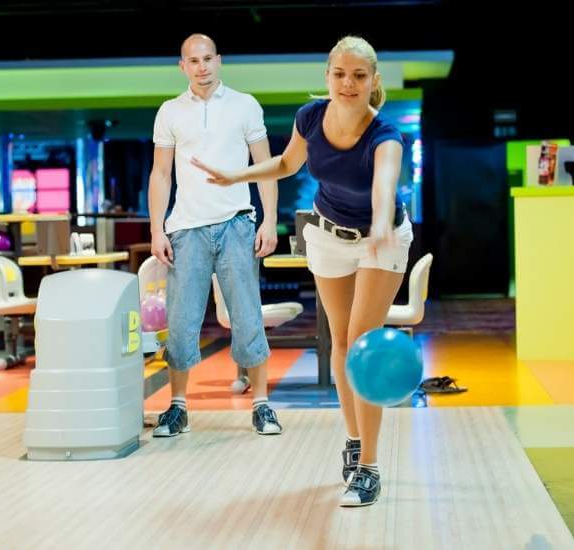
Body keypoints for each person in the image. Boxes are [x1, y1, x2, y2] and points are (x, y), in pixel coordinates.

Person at [192, 36, 412, 507]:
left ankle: (369, 467)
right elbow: (289, 163)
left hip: (382, 239)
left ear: (373, 81)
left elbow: (384, 185)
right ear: (327, 76)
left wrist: (378, 226)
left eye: (358, 75)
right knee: (337, 339)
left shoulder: (386, 135)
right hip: (329, 234)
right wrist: (237, 177)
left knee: (361, 344)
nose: (348, 83)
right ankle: (353, 441)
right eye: (339, 74)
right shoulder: (310, 117)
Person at [148, 33, 282, 438]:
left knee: (247, 316)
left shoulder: (245, 105)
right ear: (182, 66)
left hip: (236, 224)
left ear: (219, 60)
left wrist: (269, 220)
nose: (202, 66)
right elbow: (161, 174)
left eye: (208, 59)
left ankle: (261, 405)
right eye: (193, 60)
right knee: (182, 320)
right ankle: (178, 407)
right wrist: (157, 228)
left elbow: (267, 167)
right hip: (185, 229)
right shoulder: (170, 111)